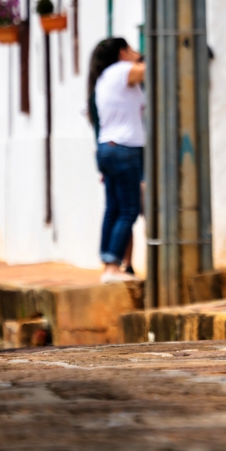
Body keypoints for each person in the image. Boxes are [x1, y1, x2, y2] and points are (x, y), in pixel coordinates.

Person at [88, 37, 145, 283]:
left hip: (107, 148)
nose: (136, 51)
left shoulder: (102, 79)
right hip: (124, 149)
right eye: (131, 48)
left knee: (113, 208)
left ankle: (108, 263)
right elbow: (149, 69)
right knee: (129, 210)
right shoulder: (121, 70)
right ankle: (112, 267)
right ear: (122, 52)